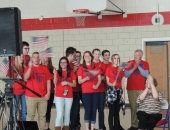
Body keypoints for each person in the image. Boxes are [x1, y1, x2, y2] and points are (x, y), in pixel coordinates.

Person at [24, 52, 51, 130]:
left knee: (42, 116)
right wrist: (30, 67)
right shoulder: (28, 67)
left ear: (40, 58)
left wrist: (48, 93)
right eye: (34, 57)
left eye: (37, 57)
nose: (36, 59)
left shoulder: (44, 68)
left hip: (42, 96)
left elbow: (48, 81)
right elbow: (25, 78)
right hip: (31, 97)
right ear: (32, 58)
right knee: (30, 115)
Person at [124, 49, 149, 130]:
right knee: (133, 107)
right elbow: (126, 75)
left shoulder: (145, 63)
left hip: (142, 89)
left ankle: (143, 124)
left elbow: (146, 74)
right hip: (131, 89)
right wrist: (134, 67)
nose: (135, 56)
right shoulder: (129, 62)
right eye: (135, 55)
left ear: (141, 56)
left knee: (143, 108)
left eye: (137, 55)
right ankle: (134, 125)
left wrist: (138, 66)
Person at [77, 51, 101, 130]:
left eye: (89, 56)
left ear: (91, 57)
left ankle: (92, 128)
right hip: (86, 93)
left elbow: (100, 79)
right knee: (88, 110)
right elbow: (79, 81)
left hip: (95, 92)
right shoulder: (81, 68)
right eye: (85, 56)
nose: (87, 57)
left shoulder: (96, 67)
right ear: (84, 58)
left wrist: (96, 85)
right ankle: (87, 128)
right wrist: (85, 79)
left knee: (94, 110)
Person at [54, 57, 76, 130]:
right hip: (59, 96)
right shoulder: (57, 72)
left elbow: (74, 84)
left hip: (69, 96)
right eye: (61, 62)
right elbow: (54, 82)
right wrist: (54, 74)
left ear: (67, 64)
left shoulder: (71, 72)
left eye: (64, 62)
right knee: (59, 114)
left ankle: (66, 128)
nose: (63, 64)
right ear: (59, 64)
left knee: (67, 114)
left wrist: (67, 83)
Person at [105, 54, 125, 130]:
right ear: (112, 59)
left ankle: (116, 127)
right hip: (111, 91)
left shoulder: (120, 69)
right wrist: (111, 84)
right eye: (115, 58)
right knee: (112, 111)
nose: (116, 60)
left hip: (119, 91)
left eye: (118, 58)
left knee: (117, 111)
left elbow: (122, 82)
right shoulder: (109, 68)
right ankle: (111, 128)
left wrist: (123, 94)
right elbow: (107, 81)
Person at [7, 54, 27, 121]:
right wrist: (15, 76)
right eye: (20, 57)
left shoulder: (25, 67)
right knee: (14, 111)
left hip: (24, 91)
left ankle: (24, 126)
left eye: (23, 57)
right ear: (16, 58)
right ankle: (14, 127)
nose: (22, 58)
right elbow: (8, 77)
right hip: (16, 92)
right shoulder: (12, 67)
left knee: (24, 110)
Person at [92, 48, 106, 130]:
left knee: (101, 110)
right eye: (96, 54)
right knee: (93, 109)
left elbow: (105, 77)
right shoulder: (90, 63)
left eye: (98, 54)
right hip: (92, 90)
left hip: (101, 90)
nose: (97, 55)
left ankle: (101, 127)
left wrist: (100, 77)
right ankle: (93, 127)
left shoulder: (102, 64)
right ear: (93, 54)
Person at [70, 51, 82, 130]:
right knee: (74, 110)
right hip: (73, 90)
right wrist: (74, 70)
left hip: (82, 90)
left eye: (79, 56)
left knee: (77, 109)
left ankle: (77, 124)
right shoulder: (70, 66)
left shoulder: (82, 66)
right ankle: (72, 125)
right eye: (76, 56)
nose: (77, 57)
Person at [42, 57, 55, 130]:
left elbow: (54, 81)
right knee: (42, 110)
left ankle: (47, 127)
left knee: (48, 110)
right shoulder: (40, 66)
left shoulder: (52, 68)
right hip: (41, 92)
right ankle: (42, 126)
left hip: (50, 92)